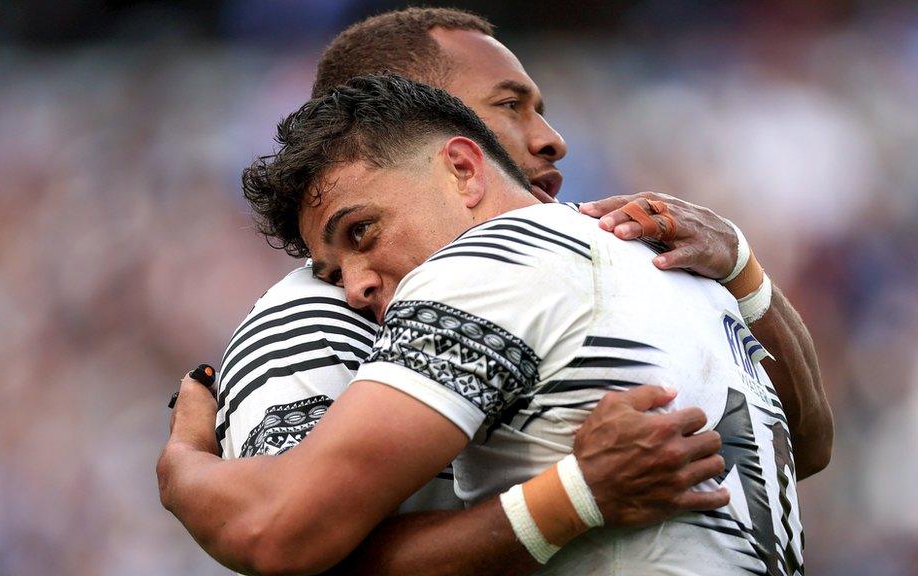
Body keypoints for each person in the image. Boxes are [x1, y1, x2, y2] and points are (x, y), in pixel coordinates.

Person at [160, 75, 808, 575]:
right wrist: (749, 273)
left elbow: (278, 534)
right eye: (333, 271)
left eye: (362, 231)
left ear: (462, 168)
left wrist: (180, 464)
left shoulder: (484, 264)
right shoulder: (669, 252)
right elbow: (810, 446)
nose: (356, 286)